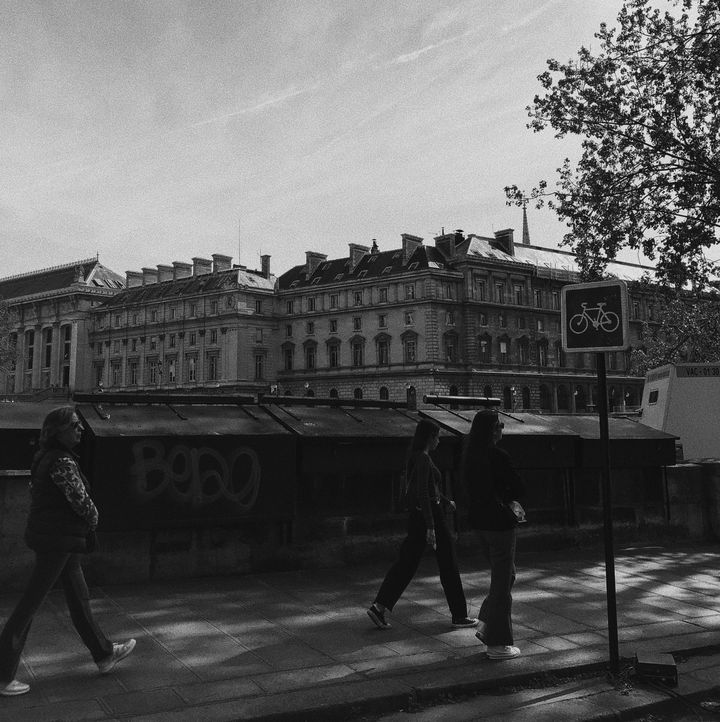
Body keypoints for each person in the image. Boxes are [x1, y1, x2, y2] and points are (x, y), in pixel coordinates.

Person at [0, 406, 135, 697]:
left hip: (57, 536)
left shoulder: (45, 456)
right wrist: (94, 517)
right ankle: (3, 674)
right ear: (58, 430)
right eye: (74, 425)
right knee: (30, 604)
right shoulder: (61, 460)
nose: (81, 429)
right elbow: (79, 499)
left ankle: (103, 653)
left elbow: (37, 493)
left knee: (78, 597)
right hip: (58, 539)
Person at [367, 419, 476, 630]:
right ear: (430, 438)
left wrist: (445, 501)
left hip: (417, 518)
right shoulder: (425, 459)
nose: (439, 441)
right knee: (448, 564)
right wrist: (431, 525)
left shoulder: (415, 457)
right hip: (430, 517)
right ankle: (459, 615)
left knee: (406, 564)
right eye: (437, 436)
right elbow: (424, 494)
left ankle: (380, 606)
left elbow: (426, 490)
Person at [462, 409, 525, 660]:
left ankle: (487, 621)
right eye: (500, 425)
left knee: (506, 575)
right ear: (491, 430)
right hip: (499, 524)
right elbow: (519, 486)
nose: (502, 429)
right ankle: (497, 643)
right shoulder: (498, 456)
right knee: (502, 581)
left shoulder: (469, 455)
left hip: (479, 524)